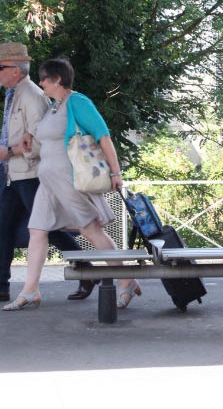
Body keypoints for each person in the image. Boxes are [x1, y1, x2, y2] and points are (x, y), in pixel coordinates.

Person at [2, 58, 137, 311]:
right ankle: (30, 290)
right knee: (37, 230)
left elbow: (103, 136)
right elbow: (46, 134)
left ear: (57, 80)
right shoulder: (54, 106)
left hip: (68, 179)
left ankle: (126, 280)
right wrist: (30, 135)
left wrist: (116, 172)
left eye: (44, 78)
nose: (41, 82)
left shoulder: (77, 102)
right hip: (48, 180)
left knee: (90, 230)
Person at [0, 43, 93, 304]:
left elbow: (43, 141)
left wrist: (11, 151)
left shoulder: (31, 96)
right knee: (4, 227)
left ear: (15, 70)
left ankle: (87, 270)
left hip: (30, 174)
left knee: (48, 227)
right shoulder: (14, 94)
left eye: (0, 67)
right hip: (14, 174)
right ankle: (2, 286)